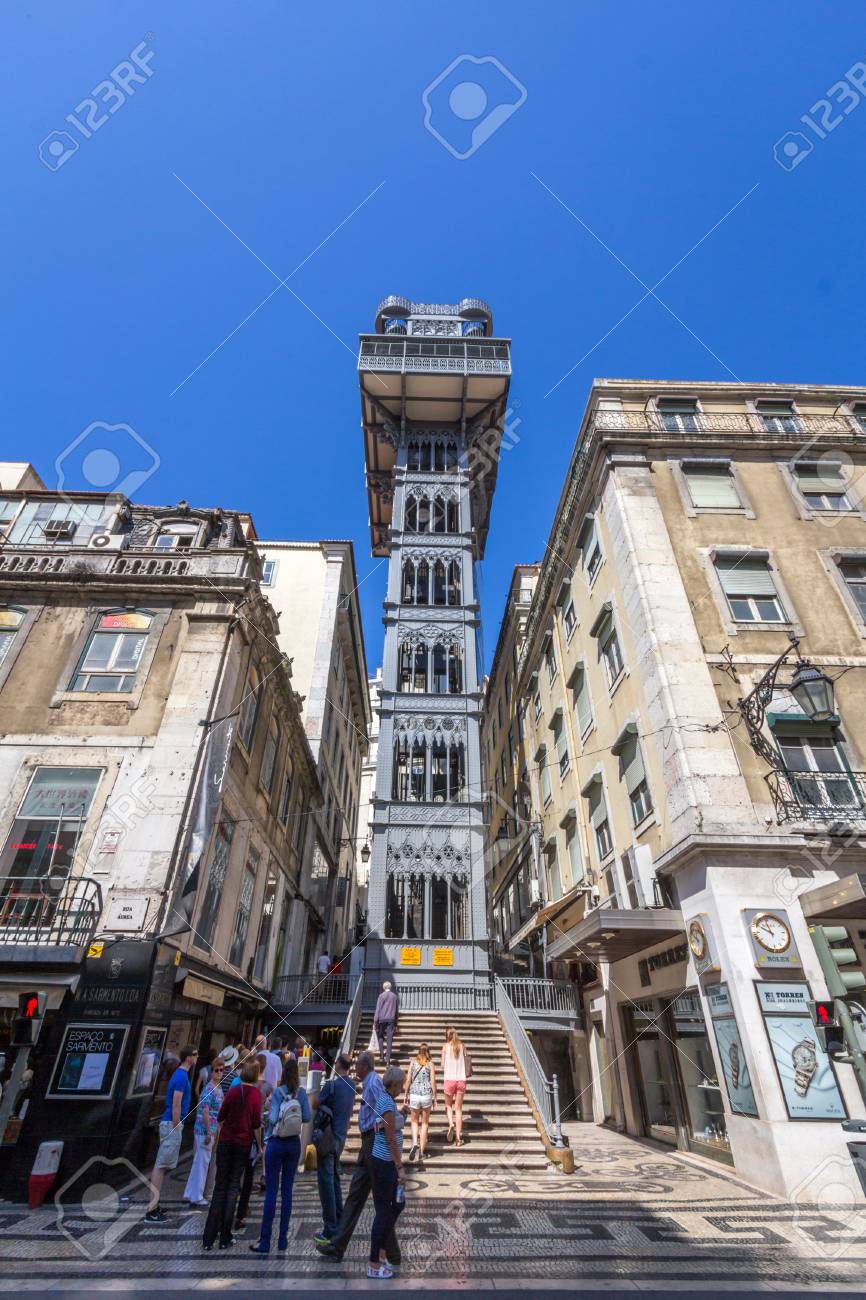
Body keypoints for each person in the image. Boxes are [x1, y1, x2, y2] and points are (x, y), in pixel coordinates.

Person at [316, 1052, 401, 1269]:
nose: (355, 1070)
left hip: (373, 1143)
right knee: (356, 1195)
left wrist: (382, 1126)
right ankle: (337, 1246)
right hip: (367, 1143)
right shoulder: (368, 1083)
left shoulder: (373, 1083)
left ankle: (392, 1252)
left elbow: (386, 1106)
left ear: (364, 1066)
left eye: (358, 1067)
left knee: (378, 1200)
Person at [249, 1057, 311, 1253]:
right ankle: (283, 1239)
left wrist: (268, 1109)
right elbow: (307, 1117)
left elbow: (274, 1118)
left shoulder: (278, 1093)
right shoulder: (301, 1093)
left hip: (276, 1142)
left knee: (271, 1192)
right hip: (293, 1144)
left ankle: (265, 1240)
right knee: (287, 1191)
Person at [202, 1058, 262, 1251]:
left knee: (220, 1187)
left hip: (226, 1142)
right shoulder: (256, 1095)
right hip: (242, 1144)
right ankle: (225, 1236)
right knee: (233, 1188)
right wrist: (259, 1146)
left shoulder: (233, 1091)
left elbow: (221, 1116)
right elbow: (256, 1124)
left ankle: (208, 1238)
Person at [146, 1043, 198, 1222]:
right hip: (171, 1123)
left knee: (162, 1164)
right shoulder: (181, 1077)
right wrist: (177, 1125)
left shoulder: (180, 1075)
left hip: (170, 1122)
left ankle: (155, 1204)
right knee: (160, 1165)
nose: (197, 1057)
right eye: (195, 1054)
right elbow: (176, 1103)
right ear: (188, 1057)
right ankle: (151, 1209)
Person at [367, 1065, 407, 1281]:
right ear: (394, 1084)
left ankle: (381, 1255)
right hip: (385, 1164)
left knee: (397, 1205)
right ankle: (374, 1263)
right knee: (384, 1212)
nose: (403, 1086)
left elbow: (382, 1127)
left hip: (385, 1163)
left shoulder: (387, 1101)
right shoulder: (386, 1103)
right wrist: (400, 1167)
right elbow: (391, 1139)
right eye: (402, 1083)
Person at [313, 1053, 356, 1246]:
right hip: (341, 1137)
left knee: (326, 1182)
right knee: (335, 1180)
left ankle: (330, 1228)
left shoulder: (332, 1086)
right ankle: (339, 1219)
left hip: (327, 1139)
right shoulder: (352, 1086)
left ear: (338, 1065)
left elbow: (317, 1103)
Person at [234, 1055, 274, 1230]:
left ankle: (237, 1203)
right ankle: (241, 1209)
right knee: (248, 1169)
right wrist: (259, 1146)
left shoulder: (236, 1088)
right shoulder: (265, 1088)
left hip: (235, 1135)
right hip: (251, 1134)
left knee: (239, 1172)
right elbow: (259, 1120)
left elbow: (222, 1115)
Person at [184, 1055, 226, 1206]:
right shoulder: (209, 1088)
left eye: (222, 1070)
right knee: (202, 1162)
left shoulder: (218, 1088)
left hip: (211, 1129)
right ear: (212, 1071)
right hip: (204, 1130)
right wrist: (209, 1132)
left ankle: (190, 1193)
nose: (219, 1073)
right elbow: (205, 1111)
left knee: (199, 1163)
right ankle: (197, 1196)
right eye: (217, 1070)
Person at [403, 1043, 436, 1162]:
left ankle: (415, 1143)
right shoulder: (430, 1064)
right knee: (425, 1123)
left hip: (415, 1095)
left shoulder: (412, 1063)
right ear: (428, 1052)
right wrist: (435, 1097)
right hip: (426, 1095)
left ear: (418, 1051)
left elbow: (408, 1080)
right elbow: (432, 1082)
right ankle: (421, 1152)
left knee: (414, 1121)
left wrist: (405, 1095)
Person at [441, 1028, 472, 1147]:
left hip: (449, 1079)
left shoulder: (445, 1047)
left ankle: (450, 1124)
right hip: (461, 1080)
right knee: (458, 1109)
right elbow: (467, 1060)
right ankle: (458, 1138)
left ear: (447, 1036)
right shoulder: (462, 1046)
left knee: (448, 1105)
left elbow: (443, 1066)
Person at [373, 980, 398, 1066]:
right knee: (389, 1040)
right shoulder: (394, 996)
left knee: (380, 1036)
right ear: (390, 987)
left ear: (384, 988)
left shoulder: (381, 996)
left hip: (381, 1019)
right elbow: (396, 1011)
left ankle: (381, 1056)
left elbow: (378, 1009)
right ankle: (388, 1060)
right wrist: (396, 1023)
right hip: (391, 1019)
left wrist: (375, 1021)